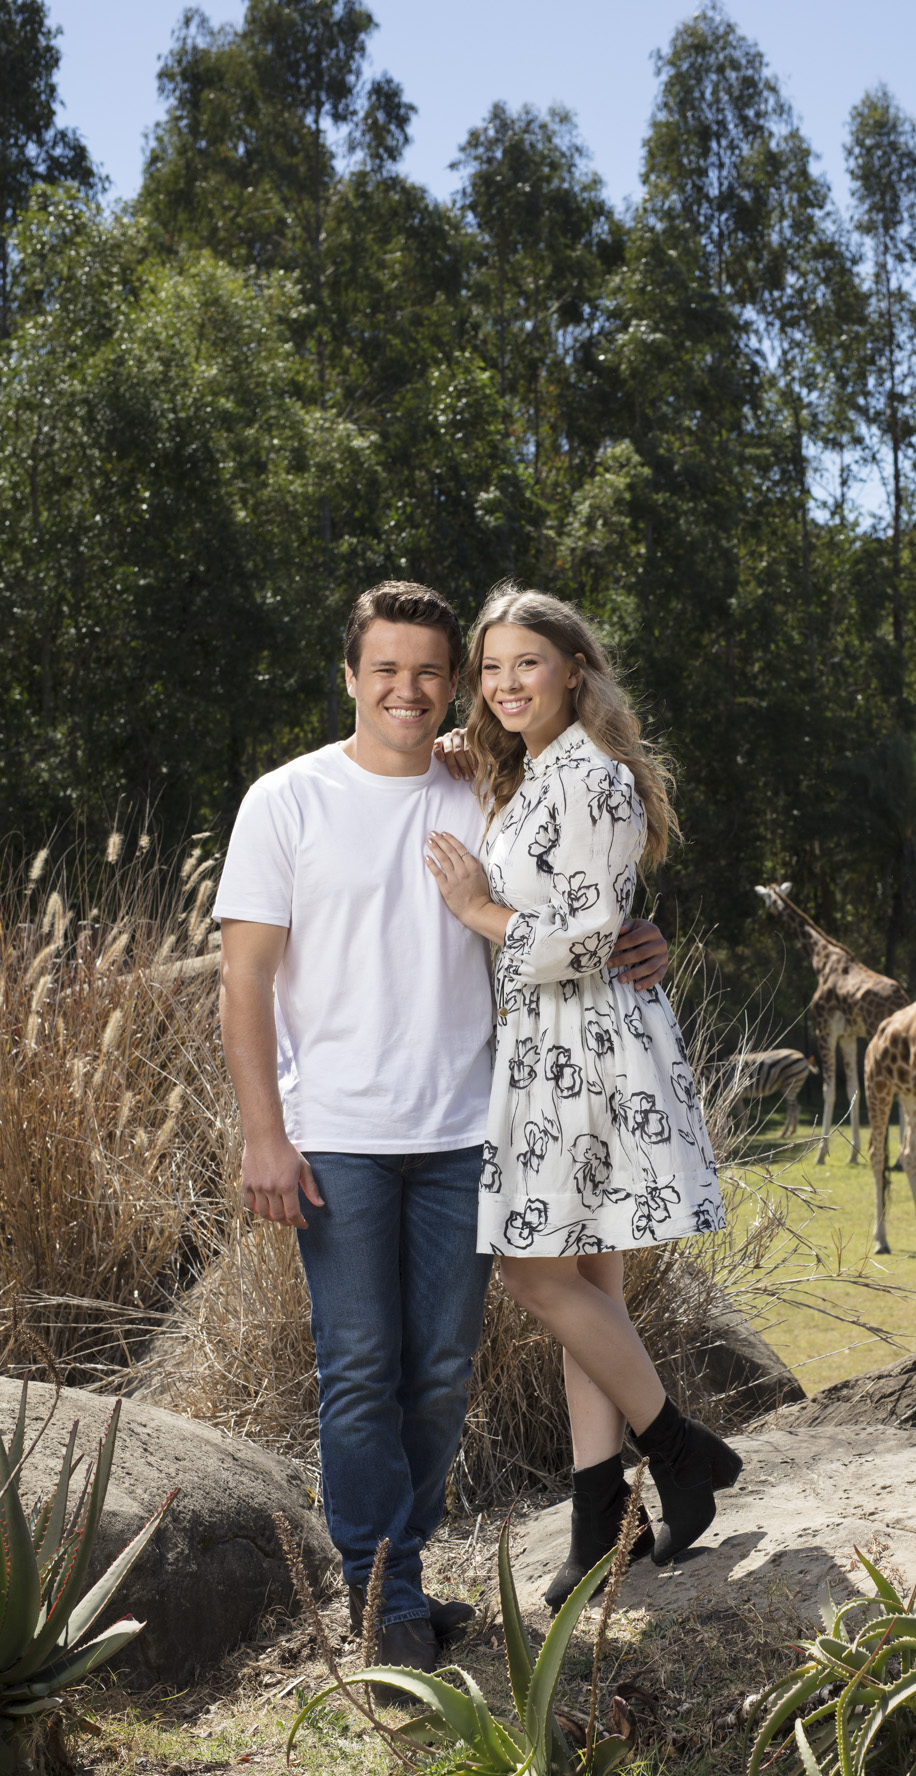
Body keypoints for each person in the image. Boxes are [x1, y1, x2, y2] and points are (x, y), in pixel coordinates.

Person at [213, 580, 669, 1679]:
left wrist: (634, 936)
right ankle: (384, 1596)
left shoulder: (484, 788)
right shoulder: (287, 799)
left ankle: (400, 1577)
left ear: (450, 682)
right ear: (351, 675)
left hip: (474, 1127)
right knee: (362, 1366)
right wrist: (264, 1133)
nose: (408, 689)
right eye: (387, 669)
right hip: (338, 1133)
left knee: (441, 1373)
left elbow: (568, 908)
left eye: (429, 670)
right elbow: (245, 978)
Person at [423, 585, 742, 1609]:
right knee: (589, 1289)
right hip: (547, 1046)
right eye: (492, 668)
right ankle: (603, 1520)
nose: (508, 682)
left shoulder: (593, 777)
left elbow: (587, 932)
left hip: (584, 1048)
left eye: (528, 662)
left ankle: (678, 1447)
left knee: (530, 1270)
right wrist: (470, 771)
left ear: (572, 668)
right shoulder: (528, 777)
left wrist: (474, 905)